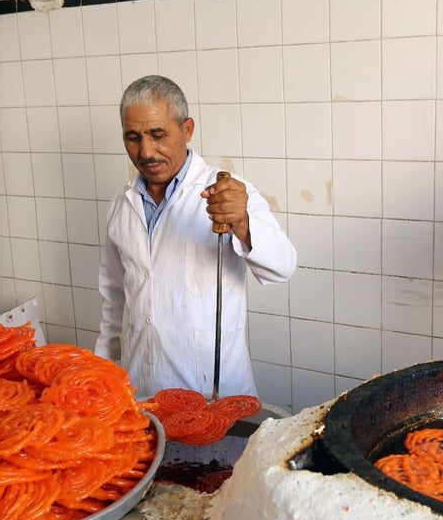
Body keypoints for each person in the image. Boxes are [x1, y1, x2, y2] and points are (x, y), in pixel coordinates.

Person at [95, 75, 297, 397]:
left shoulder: (228, 193)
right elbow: (115, 299)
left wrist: (242, 222)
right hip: (140, 391)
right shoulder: (122, 204)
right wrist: (103, 374)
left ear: (186, 130)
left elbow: (283, 267)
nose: (146, 151)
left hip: (212, 390)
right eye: (133, 137)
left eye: (158, 134)